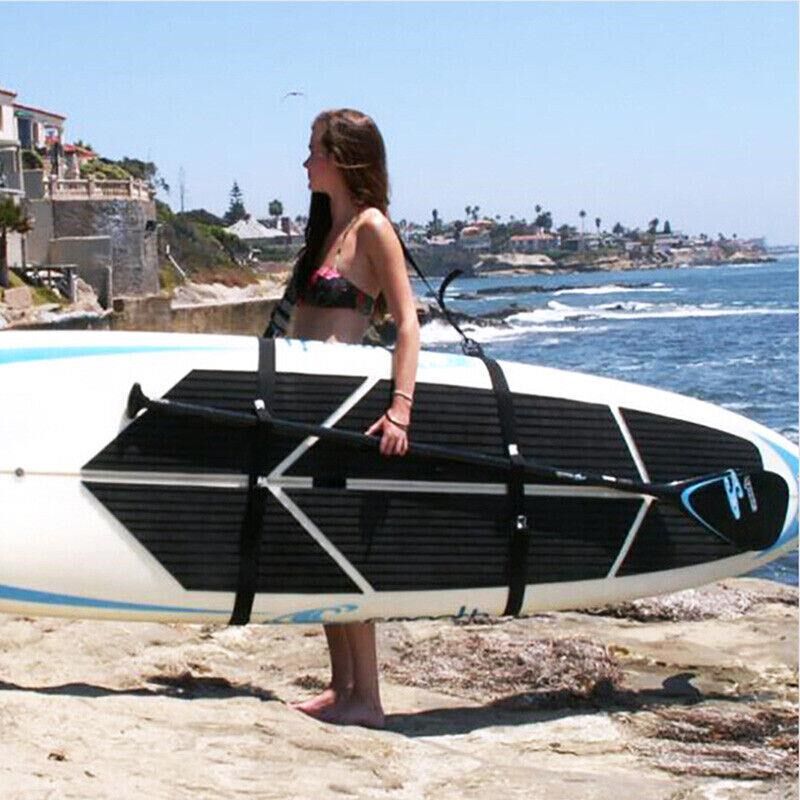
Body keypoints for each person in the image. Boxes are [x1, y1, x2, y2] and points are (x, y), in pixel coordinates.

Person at [283, 108, 420, 728]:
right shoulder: (325, 231)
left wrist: (400, 409)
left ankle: (368, 698)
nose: (306, 160)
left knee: (340, 549)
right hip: (306, 408)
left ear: (341, 158)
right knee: (316, 548)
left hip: (345, 408)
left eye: (314, 149)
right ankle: (342, 687)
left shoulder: (372, 228)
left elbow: (408, 324)